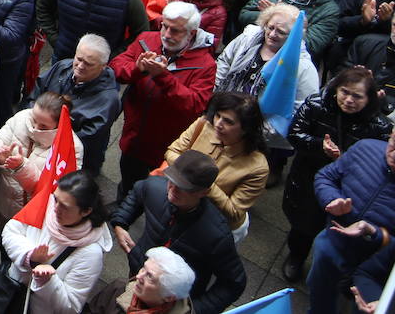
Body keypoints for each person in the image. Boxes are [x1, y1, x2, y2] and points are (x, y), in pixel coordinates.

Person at [306, 118, 395, 314]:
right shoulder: (365, 148)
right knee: (320, 295)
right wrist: (331, 199)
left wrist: (374, 233)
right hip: (333, 242)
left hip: (375, 268)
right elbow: (326, 177)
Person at [281, 67, 393, 282]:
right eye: (345, 92)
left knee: (338, 230)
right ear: (335, 90)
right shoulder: (316, 104)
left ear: (369, 98)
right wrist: (318, 146)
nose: (349, 100)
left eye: (357, 96)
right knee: (303, 224)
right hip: (308, 177)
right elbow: (294, 133)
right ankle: (297, 256)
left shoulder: (379, 126)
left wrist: (349, 158)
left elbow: (382, 160)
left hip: (350, 187)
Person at [110, 150, 247, 314]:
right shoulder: (156, 187)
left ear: (204, 192)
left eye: (184, 187)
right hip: (140, 275)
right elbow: (138, 192)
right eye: (172, 180)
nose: (173, 189)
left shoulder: (216, 235)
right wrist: (120, 222)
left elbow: (234, 283)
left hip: (174, 301)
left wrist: (196, 309)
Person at [110, 1, 218, 196]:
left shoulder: (205, 65)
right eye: (164, 27)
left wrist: (162, 77)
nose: (167, 35)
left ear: (191, 33)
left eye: (175, 31)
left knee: (157, 191)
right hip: (134, 133)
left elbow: (195, 105)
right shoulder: (146, 39)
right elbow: (117, 66)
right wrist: (138, 69)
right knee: (128, 179)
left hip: (166, 143)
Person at [0, 170, 113, 314]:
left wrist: (47, 281)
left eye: (65, 206)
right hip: (7, 292)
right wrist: (29, 256)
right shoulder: (46, 204)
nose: (55, 209)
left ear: (86, 211)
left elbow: (71, 307)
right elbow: (10, 230)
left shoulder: (91, 254)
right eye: (56, 199)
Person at [162, 92, 269, 236]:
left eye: (228, 121)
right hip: (181, 207)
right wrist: (191, 173)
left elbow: (234, 212)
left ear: (246, 129)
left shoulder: (257, 168)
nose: (218, 124)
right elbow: (172, 151)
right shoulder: (203, 126)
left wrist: (202, 181)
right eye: (218, 115)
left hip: (210, 226)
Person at [0, 92, 85, 226]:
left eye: (43, 126)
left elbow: (55, 192)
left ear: (59, 124)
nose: (35, 128)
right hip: (3, 203)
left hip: (34, 217)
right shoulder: (22, 117)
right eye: (34, 119)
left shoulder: (72, 148)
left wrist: (22, 168)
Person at [27, 33, 122, 174]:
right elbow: (35, 94)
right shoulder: (62, 67)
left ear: (103, 66)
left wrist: (45, 136)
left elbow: (87, 138)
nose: (80, 66)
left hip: (76, 159)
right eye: (79, 59)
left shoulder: (108, 100)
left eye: (89, 64)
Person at [85, 247, 197, 314]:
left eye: (149, 276)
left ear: (168, 297)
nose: (138, 277)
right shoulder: (120, 287)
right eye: (143, 268)